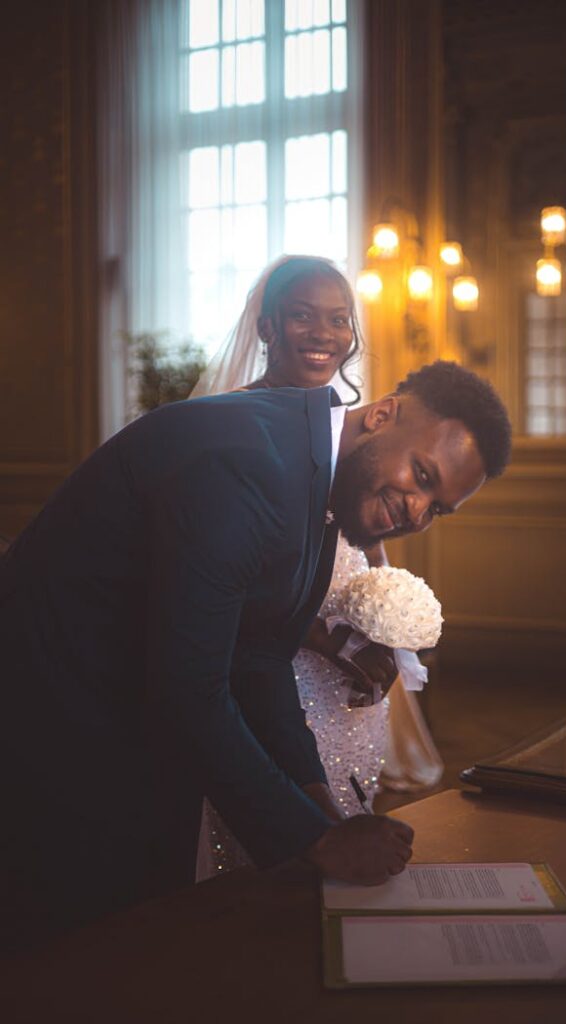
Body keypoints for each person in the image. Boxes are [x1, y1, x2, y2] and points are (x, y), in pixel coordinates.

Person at [0, 353, 511, 950]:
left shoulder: (320, 470)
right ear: (384, 415)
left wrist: (322, 810)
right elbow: (188, 688)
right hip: (50, 708)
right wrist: (315, 841)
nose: (418, 512)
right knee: (71, 949)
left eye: (439, 509)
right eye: (423, 477)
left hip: (125, 701)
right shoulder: (250, 462)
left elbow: (259, 651)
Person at [191, 255, 445, 877]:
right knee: (259, 843)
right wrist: (329, 643)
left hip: (340, 679)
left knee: (338, 817)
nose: (323, 334)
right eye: (302, 316)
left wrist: (381, 630)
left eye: (338, 320)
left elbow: (362, 549)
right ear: (267, 327)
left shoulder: (352, 426)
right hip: (269, 672)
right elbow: (244, 592)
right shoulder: (234, 427)